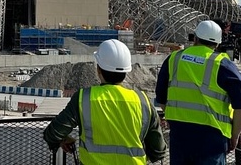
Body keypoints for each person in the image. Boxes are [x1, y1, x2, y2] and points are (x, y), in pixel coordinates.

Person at [43, 39, 167, 164]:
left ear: (98, 69)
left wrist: (63, 139)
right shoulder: (143, 101)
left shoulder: (84, 98)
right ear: (126, 71)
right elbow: (158, 151)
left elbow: (53, 134)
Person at [155, 20, 241, 165]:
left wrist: (174, 118)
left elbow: (161, 99)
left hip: (180, 136)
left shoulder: (174, 59)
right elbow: (239, 106)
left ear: (195, 38)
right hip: (212, 139)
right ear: (218, 43)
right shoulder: (223, 64)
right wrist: (235, 136)